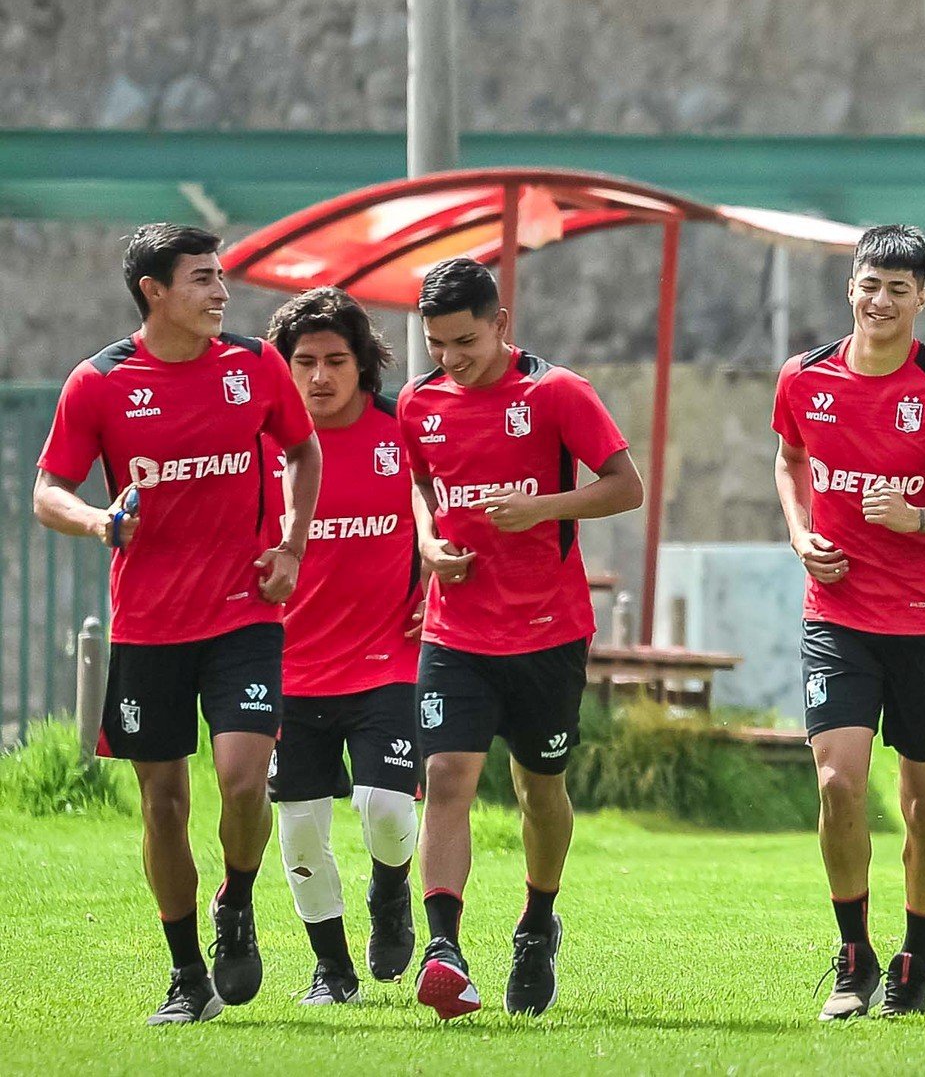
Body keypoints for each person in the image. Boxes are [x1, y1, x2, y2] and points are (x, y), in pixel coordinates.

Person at [33, 223, 320, 1024]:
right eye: (202, 279)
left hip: (243, 614)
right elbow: (47, 490)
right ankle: (187, 975)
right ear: (153, 290)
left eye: (221, 277)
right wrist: (97, 520)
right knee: (162, 804)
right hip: (150, 627)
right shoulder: (97, 382)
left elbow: (302, 452)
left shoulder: (256, 365)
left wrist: (291, 546)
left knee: (240, 779)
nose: (221, 293)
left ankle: (238, 897)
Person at [772, 225, 925, 1020]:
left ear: (921, 298)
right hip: (837, 619)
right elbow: (788, 459)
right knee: (839, 783)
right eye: (867, 284)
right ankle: (854, 956)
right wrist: (799, 533)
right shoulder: (803, 378)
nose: (879, 301)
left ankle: (916, 954)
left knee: (924, 805)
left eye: (897, 289)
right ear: (850, 287)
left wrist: (918, 519)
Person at [397, 258, 644, 1019]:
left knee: (540, 791)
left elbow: (623, 486)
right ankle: (444, 947)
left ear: (501, 324)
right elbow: (419, 487)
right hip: (456, 630)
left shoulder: (556, 392)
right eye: (436, 343)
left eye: (463, 340)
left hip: (546, 631)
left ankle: (536, 926)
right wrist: (430, 544)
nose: (449, 357)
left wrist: (542, 507)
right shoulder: (418, 403)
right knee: (446, 778)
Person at [263, 287, 426, 1005]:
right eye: (304, 362)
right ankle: (331, 972)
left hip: (387, 658)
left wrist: (438, 588)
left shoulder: (404, 431)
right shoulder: (260, 444)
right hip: (282, 667)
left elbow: (451, 515)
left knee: (385, 807)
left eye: (336, 360)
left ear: (364, 364)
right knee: (299, 833)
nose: (320, 377)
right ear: (283, 368)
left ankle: (390, 892)